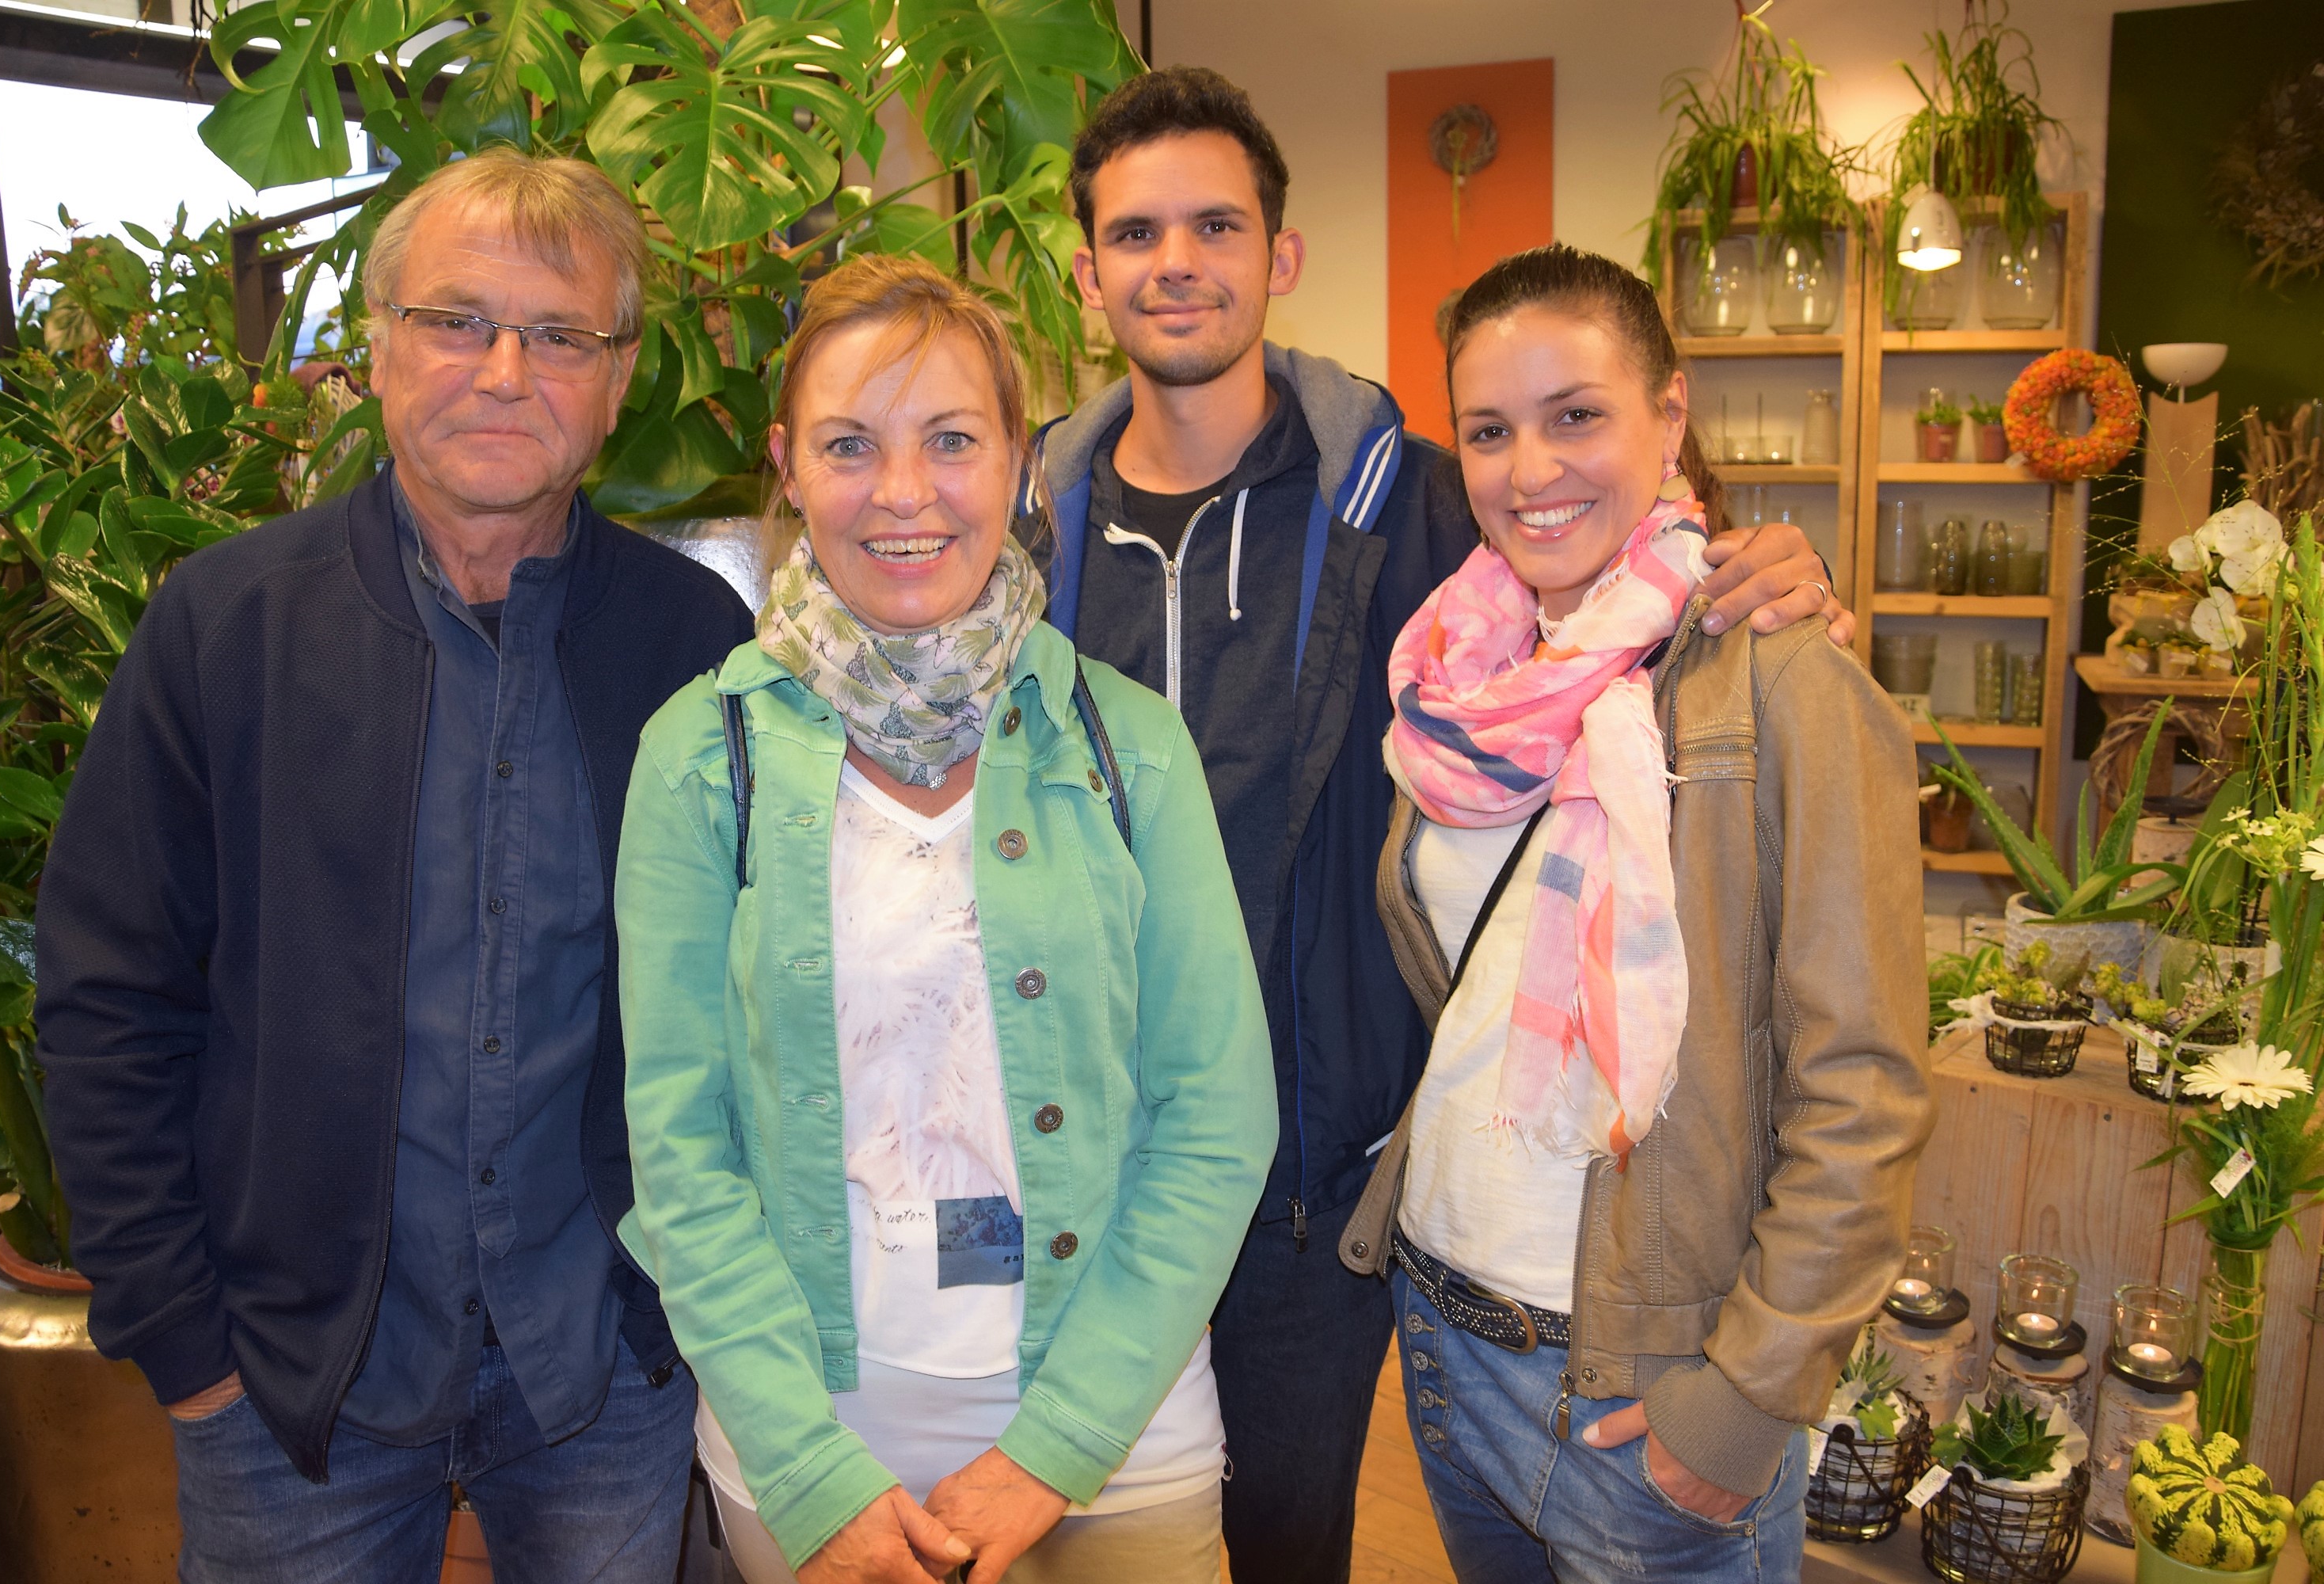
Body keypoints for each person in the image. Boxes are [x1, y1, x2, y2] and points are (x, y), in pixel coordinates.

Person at [1028, 65, 1858, 1582]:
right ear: (1089, 274)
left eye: (1217, 225)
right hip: (1077, 1179)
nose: (1177, 261)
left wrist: (1765, 572)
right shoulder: (1022, 535)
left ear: (1282, 255)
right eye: (1136, 232)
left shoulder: (1419, 507)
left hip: (1318, 1196)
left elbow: (1617, 583)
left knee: (1286, 1549)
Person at [33, 149, 754, 1579]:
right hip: (289, 1388)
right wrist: (185, 1346)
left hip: (603, 1371)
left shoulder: (694, 646)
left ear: (618, 382)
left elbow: (754, 1002)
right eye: (457, 321)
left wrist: (671, 1319)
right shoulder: (224, 628)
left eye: (561, 336)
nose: (505, 372)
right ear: (375, 350)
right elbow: (110, 998)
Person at [614, 253, 1276, 1584]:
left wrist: (1058, 1447)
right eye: (850, 444)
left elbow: (1216, 1118)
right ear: (788, 468)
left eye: (953, 439)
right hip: (812, 1432)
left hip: (1119, 1420)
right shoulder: (703, 756)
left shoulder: (1127, 747)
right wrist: (809, 1474)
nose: (905, 492)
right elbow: (680, 1149)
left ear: (1022, 459)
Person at [1341, 242, 1934, 1583]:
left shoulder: (1783, 678)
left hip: (1638, 1379)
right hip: (1443, 1326)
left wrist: (1747, 1399)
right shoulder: (1460, 680)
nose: (1530, 469)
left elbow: (1866, 1084)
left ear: (1670, 416)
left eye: (1575, 415)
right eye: (1490, 431)